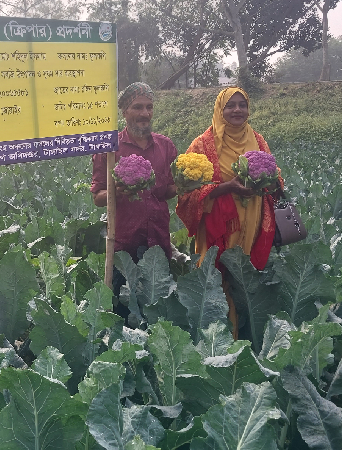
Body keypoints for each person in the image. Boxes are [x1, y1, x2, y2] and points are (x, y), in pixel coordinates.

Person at [175, 86, 282, 339]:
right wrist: (227, 188)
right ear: (219, 109)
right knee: (216, 277)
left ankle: (247, 334)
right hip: (218, 226)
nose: (237, 110)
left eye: (241, 105)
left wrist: (269, 181)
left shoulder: (258, 139)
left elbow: (275, 177)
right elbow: (186, 192)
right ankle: (218, 337)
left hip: (252, 221)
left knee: (245, 278)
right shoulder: (202, 144)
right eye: (230, 105)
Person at [91, 82, 177, 318]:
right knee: (121, 310)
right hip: (123, 244)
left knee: (157, 307)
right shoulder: (109, 149)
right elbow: (98, 198)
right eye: (137, 107)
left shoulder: (166, 146)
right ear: (124, 111)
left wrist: (185, 184)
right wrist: (117, 191)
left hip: (158, 240)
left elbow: (167, 190)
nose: (145, 113)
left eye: (149, 107)